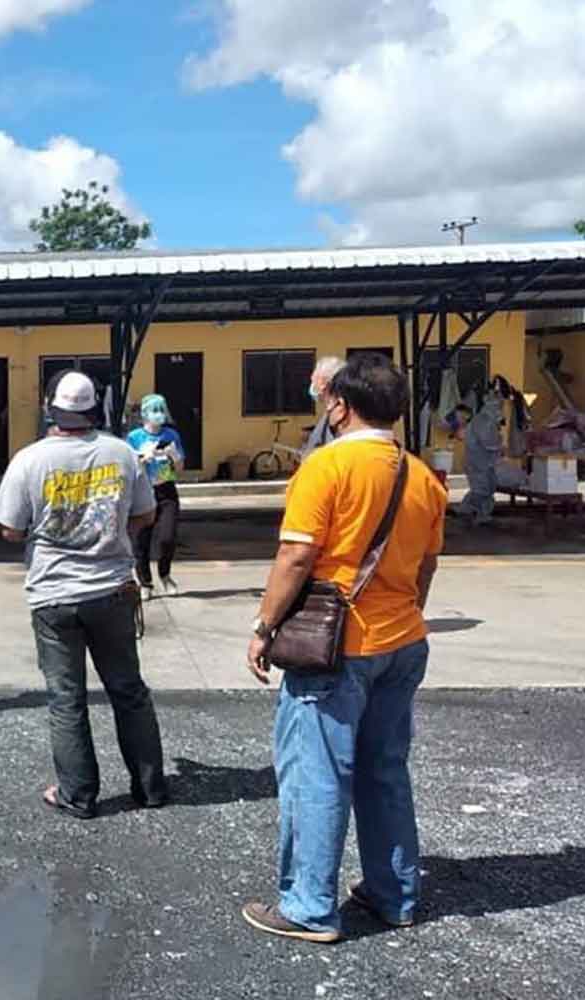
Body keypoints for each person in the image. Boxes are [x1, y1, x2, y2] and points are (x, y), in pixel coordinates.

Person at [242, 352, 448, 944]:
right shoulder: (422, 477)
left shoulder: (325, 468)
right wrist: (407, 613)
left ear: (340, 405)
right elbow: (427, 565)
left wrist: (264, 626)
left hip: (337, 646)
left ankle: (308, 906)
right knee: (385, 769)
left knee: (318, 773)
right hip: (404, 639)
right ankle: (394, 894)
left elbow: (297, 555)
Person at [0, 371, 168, 819]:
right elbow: (146, 514)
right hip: (111, 588)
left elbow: (10, 529)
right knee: (128, 690)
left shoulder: (30, 460)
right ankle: (150, 787)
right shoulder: (122, 452)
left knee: (67, 698)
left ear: (51, 407)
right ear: (93, 409)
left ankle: (79, 794)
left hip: (54, 594)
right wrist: (111, 532)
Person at [125, 393, 184, 597]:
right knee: (142, 539)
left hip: (166, 489)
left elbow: (180, 466)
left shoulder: (171, 435)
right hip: (143, 490)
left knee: (167, 537)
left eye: (161, 410)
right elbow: (128, 467)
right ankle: (145, 582)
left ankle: (165, 574)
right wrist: (143, 457)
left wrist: (174, 456)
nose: (158, 414)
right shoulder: (134, 437)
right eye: (154, 410)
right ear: (144, 414)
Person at [458, 381, 506, 525]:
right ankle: (474, 514)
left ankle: (468, 512)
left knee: (484, 488)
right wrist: (500, 444)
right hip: (478, 461)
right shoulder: (484, 420)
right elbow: (488, 441)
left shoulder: (486, 419)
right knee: (482, 490)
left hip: (481, 461)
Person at [301, 356, 346, 458]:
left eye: (313, 379)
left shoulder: (340, 417)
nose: (311, 382)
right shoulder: (330, 413)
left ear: (323, 384)